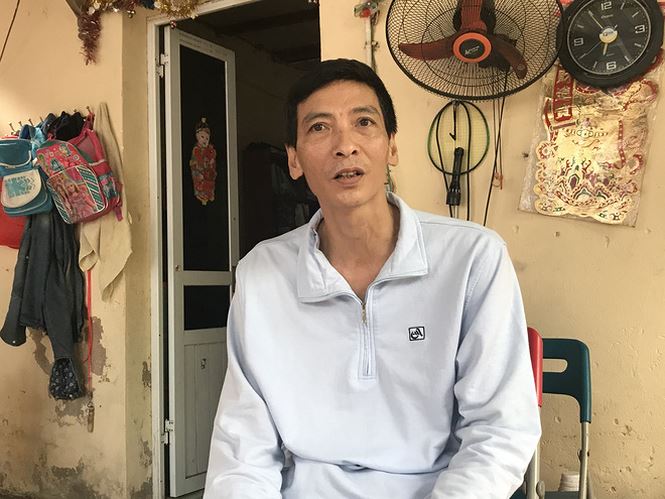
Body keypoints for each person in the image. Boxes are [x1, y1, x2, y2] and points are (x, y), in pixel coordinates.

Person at [204, 58, 541, 499]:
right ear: (294, 160)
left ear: (392, 146)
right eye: (319, 128)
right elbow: (242, 449)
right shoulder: (260, 275)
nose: (345, 145)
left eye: (363, 122)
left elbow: (499, 430)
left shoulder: (473, 258)